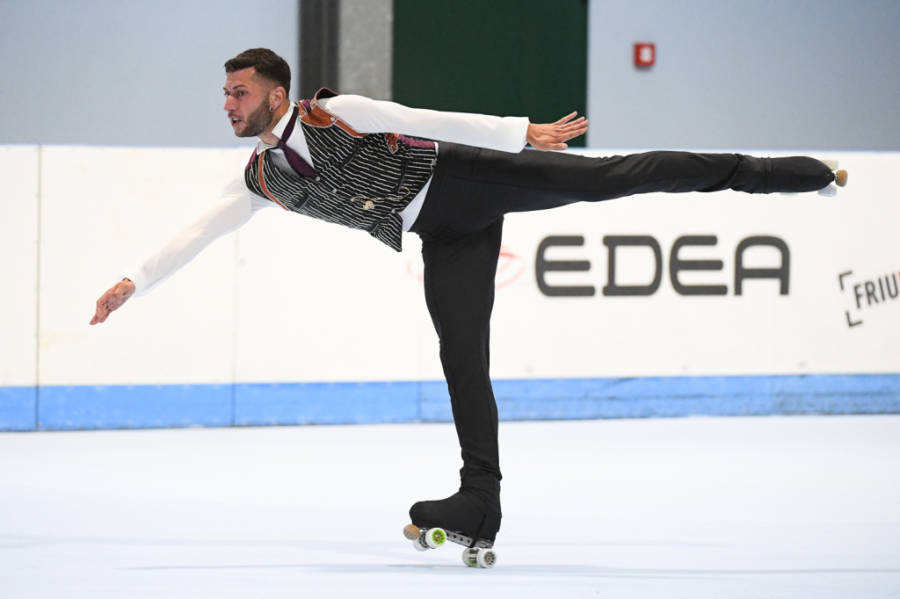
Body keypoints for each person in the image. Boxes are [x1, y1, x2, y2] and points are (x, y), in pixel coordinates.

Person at [90, 48, 844, 550]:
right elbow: (198, 230)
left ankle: (763, 172)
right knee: (461, 356)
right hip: (443, 233)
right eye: (225, 94)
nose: (228, 104)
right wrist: (133, 280)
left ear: (275, 94)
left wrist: (523, 133)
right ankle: (480, 500)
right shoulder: (259, 179)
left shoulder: (333, 111)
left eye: (239, 92)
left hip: (465, 176)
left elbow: (420, 120)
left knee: (609, 177)